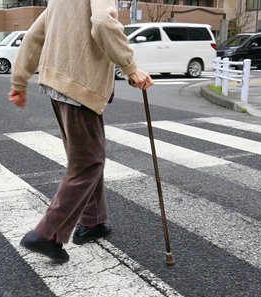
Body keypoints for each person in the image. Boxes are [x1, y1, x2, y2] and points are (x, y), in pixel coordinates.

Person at [9, 0, 154, 263]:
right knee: (88, 163)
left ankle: (93, 221)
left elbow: (34, 35)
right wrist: (130, 68)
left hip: (57, 83)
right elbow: (103, 23)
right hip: (79, 85)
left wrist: (20, 82)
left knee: (86, 155)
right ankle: (46, 234)